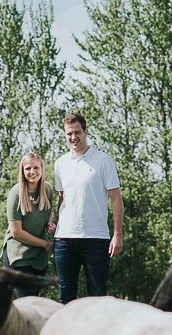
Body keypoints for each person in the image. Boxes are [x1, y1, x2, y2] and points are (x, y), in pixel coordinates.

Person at [52, 112, 123, 303]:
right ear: (64, 135)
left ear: (86, 132)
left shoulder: (103, 160)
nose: (74, 137)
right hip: (64, 239)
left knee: (98, 296)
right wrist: (55, 224)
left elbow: (116, 199)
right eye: (69, 134)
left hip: (96, 239)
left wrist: (117, 234)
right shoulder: (60, 164)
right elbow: (62, 198)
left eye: (77, 132)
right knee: (65, 297)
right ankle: (66, 334)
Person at [1, 152, 56, 298]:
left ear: (42, 169)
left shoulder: (48, 189)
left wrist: (50, 223)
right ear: (22, 171)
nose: (32, 172)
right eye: (28, 168)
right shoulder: (16, 193)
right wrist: (45, 244)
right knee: (26, 300)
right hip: (18, 255)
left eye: (36, 168)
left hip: (38, 256)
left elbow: (50, 211)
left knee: (35, 300)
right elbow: (16, 232)